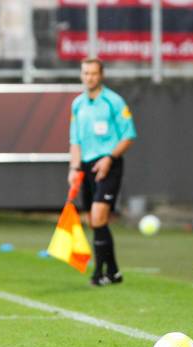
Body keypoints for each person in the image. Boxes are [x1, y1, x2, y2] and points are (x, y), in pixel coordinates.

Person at [68, 58, 137, 286]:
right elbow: (75, 141)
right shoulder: (78, 104)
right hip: (86, 166)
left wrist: (109, 158)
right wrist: (74, 168)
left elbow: (128, 136)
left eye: (93, 73)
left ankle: (99, 272)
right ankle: (114, 271)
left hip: (109, 162)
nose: (89, 77)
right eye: (85, 73)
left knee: (99, 216)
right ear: (81, 75)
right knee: (93, 220)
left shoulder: (114, 101)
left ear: (101, 75)